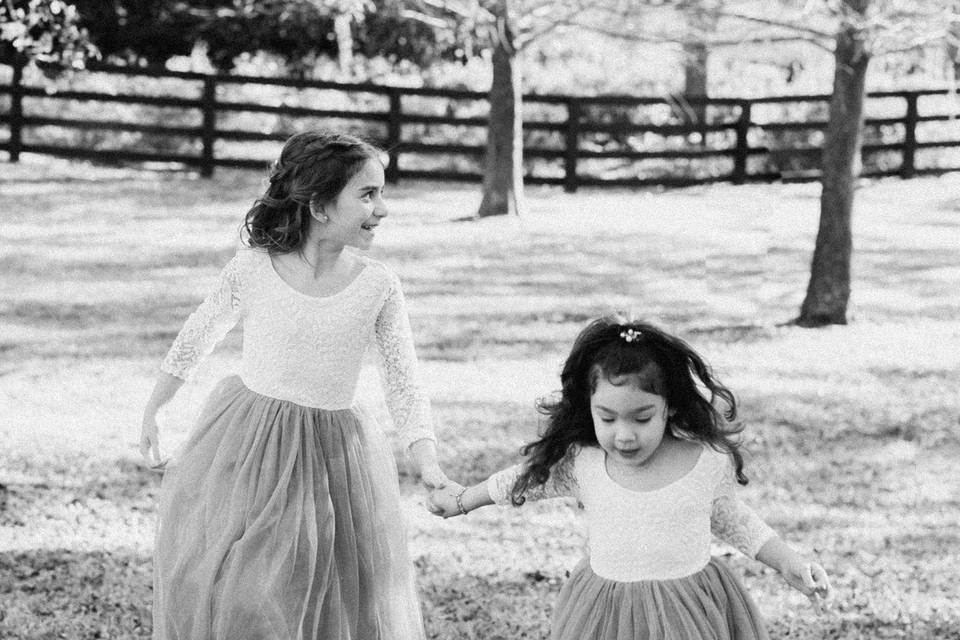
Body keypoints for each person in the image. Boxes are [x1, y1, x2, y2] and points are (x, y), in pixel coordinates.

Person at [138, 131, 447, 640]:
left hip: (334, 462)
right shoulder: (255, 269)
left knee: (327, 595)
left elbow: (404, 381)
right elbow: (200, 330)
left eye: (382, 193)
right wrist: (156, 405)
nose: (383, 209)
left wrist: (427, 460)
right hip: (248, 446)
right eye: (368, 195)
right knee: (241, 586)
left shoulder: (377, 286)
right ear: (321, 205)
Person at [428, 316, 832, 640]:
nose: (623, 434)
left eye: (641, 418)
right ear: (588, 408)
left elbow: (734, 520)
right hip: (605, 612)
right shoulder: (583, 463)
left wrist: (790, 563)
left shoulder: (703, 461)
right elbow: (523, 481)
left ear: (669, 408)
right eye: (606, 417)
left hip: (688, 612)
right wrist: (464, 499)